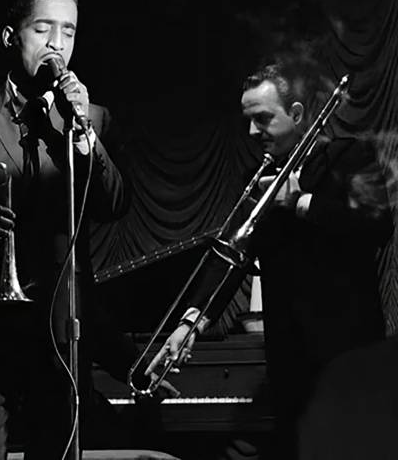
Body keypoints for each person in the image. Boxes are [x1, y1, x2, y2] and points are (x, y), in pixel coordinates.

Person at [0, 0, 159, 459]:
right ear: (11, 37)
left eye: (68, 32)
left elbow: (115, 204)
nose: (56, 45)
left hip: (59, 329)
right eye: (42, 29)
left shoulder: (93, 119)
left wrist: (82, 130)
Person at [148, 42, 393, 459]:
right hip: (288, 363)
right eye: (248, 121)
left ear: (297, 115)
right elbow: (234, 256)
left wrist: (299, 204)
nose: (251, 132)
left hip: (347, 358)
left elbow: (377, 224)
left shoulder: (349, 155)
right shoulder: (256, 177)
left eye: (263, 119)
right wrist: (192, 322)